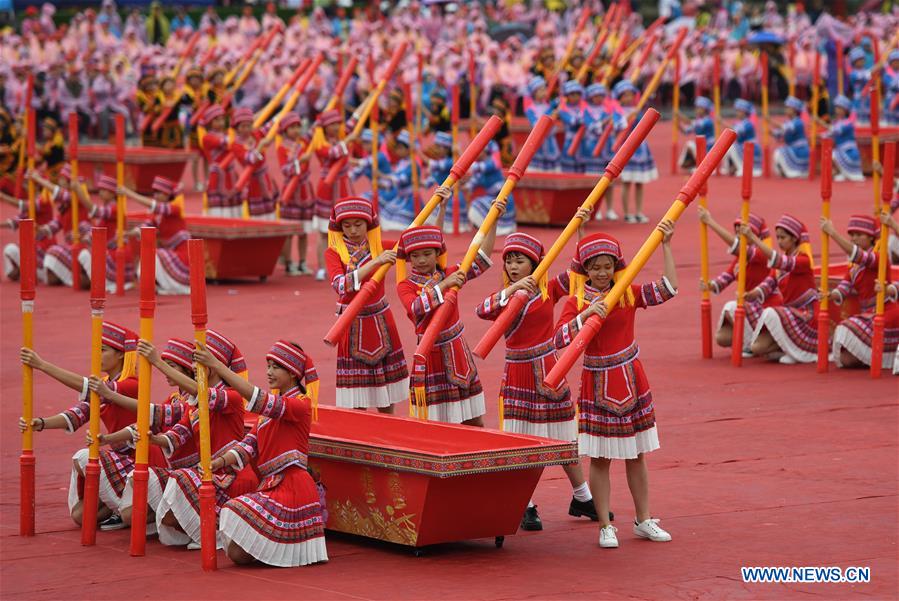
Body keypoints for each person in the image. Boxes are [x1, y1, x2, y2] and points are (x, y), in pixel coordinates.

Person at [553, 224, 678, 549]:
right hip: (597, 382)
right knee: (600, 458)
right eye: (596, 267)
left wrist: (666, 245)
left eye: (608, 266)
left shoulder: (627, 291)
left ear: (617, 266)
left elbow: (668, 289)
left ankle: (643, 518)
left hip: (631, 378)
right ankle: (605, 525)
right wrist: (584, 317)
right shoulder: (577, 300)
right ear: (585, 269)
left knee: (637, 453)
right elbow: (557, 339)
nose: (603, 272)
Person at [475, 225, 602, 532]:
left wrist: (580, 228)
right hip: (518, 373)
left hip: (548, 370)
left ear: (535, 265)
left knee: (563, 436)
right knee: (522, 441)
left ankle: (582, 496)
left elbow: (578, 271)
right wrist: (510, 292)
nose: (513, 266)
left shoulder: (549, 290)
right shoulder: (503, 299)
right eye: (510, 260)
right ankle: (526, 504)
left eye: (520, 261)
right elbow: (481, 310)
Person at [198, 340, 328, 567]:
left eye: (275, 367)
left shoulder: (300, 404)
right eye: (268, 366)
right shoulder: (267, 414)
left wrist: (219, 368)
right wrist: (215, 462)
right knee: (237, 554)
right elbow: (247, 447)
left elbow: (260, 400)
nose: (268, 372)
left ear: (293, 373)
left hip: (294, 488)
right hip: (272, 486)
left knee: (232, 511)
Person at [395, 189, 504, 425]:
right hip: (429, 354)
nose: (422, 260)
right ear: (409, 259)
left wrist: (493, 219)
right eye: (415, 256)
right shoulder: (406, 285)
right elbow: (416, 307)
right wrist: (444, 285)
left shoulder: (449, 274)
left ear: (437, 254)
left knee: (474, 421)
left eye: (427, 254)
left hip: (457, 352)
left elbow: (482, 259)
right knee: (434, 425)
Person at [18, 322, 139, 528]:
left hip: (139, 461)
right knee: (80, 517)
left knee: (84, 456)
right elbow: (76, 415)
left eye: (103, 350)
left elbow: (92, 388)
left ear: (121, 355)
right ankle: (121, 505)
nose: (97, 356)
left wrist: (42, 365)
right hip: (120, 461)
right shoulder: (106, 384)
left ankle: (132, 509)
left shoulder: (131, 385)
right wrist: (39, 423)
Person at [149, 329, 258, 550]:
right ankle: (207, 529)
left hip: (232, 475)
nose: (193, 368)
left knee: (180, 478)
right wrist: (154, 439)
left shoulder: (231, 396)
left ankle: (215, 531)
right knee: (165, 506)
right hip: (210, 471)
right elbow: (179, 433)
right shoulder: (194, 400)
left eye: (198, 362)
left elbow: (205, 395)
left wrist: (158, 363)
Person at [90, 338, 195, 531]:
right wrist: (105, 439)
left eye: (171, 366)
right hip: (171, 464)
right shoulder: (175, 398)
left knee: (131, 515)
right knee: (85, 512)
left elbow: (154, 413)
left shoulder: (196, 401)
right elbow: (145, 423)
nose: (164, 372)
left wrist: (41, 365)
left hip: (196, 469)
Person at [325, 197, 410, 413]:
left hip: (380, 320)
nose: (352, 230)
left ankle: (389, 432)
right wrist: (376, 262)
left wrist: (441, 207)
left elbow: (419, 247)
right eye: (347, 225)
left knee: (386, 391)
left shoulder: (380, 246)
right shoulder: (334, 252)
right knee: (357, 395)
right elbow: (340, 285)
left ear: (368, 224)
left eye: (358, 224)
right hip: (351, 323)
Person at [822, 215, 899, 370]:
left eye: (859, 235)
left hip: (886, 312)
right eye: (852, 235)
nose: (854, 238)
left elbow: (859, 255)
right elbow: (843, 288)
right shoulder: (854, 267)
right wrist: (830, 295)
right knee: (846, 360)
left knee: (846, 327)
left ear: (871, 238)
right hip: (868, 315)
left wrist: (833, 233)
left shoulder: (879, 257)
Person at [698, 207, 777, 355]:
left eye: (742, 234)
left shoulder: (762, 254)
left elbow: (737, 247)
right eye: (737, 234)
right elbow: (723, 281)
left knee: (732, 306)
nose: (739, 237)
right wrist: (708, 285)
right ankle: (752, 342)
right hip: (748, 307)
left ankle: (772, 344)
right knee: (722, 338)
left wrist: (710, 222)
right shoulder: (741, 259)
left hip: (767, 307)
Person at [743, 215, 819, 364]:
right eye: (777, 238)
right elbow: (768, 283)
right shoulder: (780, 265)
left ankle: (797, 350)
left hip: (807, 316)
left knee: (771, 312)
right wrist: (752, 294)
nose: (779, 242)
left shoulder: (803, 260)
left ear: (794, 239)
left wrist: (753, 237)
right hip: (790, 316)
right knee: (757, 347)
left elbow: (779, 261)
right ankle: (786, 348)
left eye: (783, 238)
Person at [117, 176, 190, 295]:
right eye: (154, 192)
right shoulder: (158, 215)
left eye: (159, 192)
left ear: (167, 195)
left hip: (183, 258)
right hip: (170, 254)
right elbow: (144, 228)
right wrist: (126, 234)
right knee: (150, 254)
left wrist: (128, 193)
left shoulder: (174, 208)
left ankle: (161, 285)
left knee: (153, 254)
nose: (156, 195)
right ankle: (150, 284)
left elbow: (154, 206)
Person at [312, 109, 358, 281]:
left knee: (349, 231)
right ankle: (322, 268)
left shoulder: (341, 136)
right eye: (331, 124)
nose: (336, 126)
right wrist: (348, 140)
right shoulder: (320, 143)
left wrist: (370, 98)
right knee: (325, 231)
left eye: (337, 123)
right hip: (327, 189)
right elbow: (333, 153)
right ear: (324, 127)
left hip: (344, 187)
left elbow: (355, 119)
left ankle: (348, 265)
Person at [72, 174, 137, 292]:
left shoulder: (115, 208)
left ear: (112, 193)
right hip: (109, 252)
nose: (100, 193)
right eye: (100, 189)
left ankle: (103, 283)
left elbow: (93, 210)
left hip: (116, 256)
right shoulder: (108, 209)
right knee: (83, 232)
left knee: (85, 254)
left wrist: (78, 190)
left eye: (104, 190)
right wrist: (81, 237)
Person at [612, 80, 657, 223]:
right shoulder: (616, 112)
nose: (628, 98)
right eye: (625, 95)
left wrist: (638, 116)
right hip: (625, 147)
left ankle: (638, 211)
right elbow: (617, 127)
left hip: (640, 148)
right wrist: (627, 118)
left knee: (639, 182)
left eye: (630, 95)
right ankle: (627, 212)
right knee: (627, 181)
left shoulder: (637, 110)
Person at [276, 113, 315, 275]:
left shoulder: (304, 143)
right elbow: (285, 170)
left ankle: (303, 262)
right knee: (289, 232)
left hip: (305, 191)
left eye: (298, 126)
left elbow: (316, 130)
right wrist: (301, 161)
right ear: (285, 131)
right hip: (290, 193)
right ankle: (289, 263)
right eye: (292, 127)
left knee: (304, 231)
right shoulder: (281, 148)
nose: (296, 130)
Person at [230, 107, 278, 219]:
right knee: (258, 215)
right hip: (253, 182)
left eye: (249, 126)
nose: (246, 129)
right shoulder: (236, 145)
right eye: (243, 126)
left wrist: (279, 117)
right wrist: (261, 145)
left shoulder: (256, 134)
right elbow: (251, 159)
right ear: (237, 128)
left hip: (266, 178)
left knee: (271, 211)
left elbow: (271, 126)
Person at [199, 104, 242, 218]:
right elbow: (227, 143)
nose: (221, 122)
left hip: (231, 174)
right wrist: (241, 134)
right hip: (217, 176)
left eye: (222, 119)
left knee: (235, 208)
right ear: (209, 123)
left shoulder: (228, 134)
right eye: (216, 120)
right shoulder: (207, 138)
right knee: (220, 211)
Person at [466, 142, 515, 235]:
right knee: (475, 204)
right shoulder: (479, 169)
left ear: (484, 152)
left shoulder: (490, 162)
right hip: (493, 199)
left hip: (503, 199)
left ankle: (498, 227)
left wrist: (467, 162)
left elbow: (486, 166)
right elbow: (472, 183)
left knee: (476, 204)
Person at [814, 95, 864, 182]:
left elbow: (835, 130)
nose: (837, 110)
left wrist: (819, 121)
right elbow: (829, 134)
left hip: (849, 153)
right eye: (836, 107)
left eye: (840, 108)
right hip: (841, 151)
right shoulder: (836, 122)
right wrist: (818, 136)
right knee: (829, 154)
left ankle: (844, 172)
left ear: (845, 110)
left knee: (832, 154)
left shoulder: (848, 123)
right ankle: (841, 173)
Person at [523, 76, 560, 171]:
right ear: (534, 93)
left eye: (545, 89)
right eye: (541, 90)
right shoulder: (530, 109)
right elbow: (537, 124)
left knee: (553, 168)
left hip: (550, 139)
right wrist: (550, 113)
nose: (544, 92)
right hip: (538, 141)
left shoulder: (548, 105)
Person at [770, 96, 810, 179]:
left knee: (780, 152)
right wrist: (770, 132)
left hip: (800, 150)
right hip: (792, 149)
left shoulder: (798, 122)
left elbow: (785, 128)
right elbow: (779, 134)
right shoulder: (789, 122)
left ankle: (794, 171)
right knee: (779, 152)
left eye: (788, 108)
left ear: (795, 110)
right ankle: (787, 171)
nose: (786, 110)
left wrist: (770, 121)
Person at [721, 98, 762, 177]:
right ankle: (727, 168)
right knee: (727, 146)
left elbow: (736, 131)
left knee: (733, 147)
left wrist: (722, 123)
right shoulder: (739, 122)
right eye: (737, 111)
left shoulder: (748, 123)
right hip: (743, 147)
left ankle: (742, 168)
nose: (737, 113)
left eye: (739, 111)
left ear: (744, 112)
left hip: (751, 148)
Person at [677, 96, 716, 170]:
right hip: (701, 147)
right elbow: (686, 131)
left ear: (704, 109)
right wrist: (678, 124)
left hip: (708, 148)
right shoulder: (698, 120)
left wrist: (679, 115)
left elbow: (690, 123)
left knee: (690, 144)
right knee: (690, 144)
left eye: (699, 108)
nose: (696, 110)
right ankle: (689, 164)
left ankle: (704, 165)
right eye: (696, 108)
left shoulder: (708, 120)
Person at [558, 81, 587, 173]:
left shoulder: (584, 108)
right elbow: (572, 121)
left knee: (583, 167)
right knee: (569, 167)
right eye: (572, 94)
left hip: (582, 141)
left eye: (577, 94)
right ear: (566, 96)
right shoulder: (563, 110)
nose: (575, 97)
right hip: (570, 140)